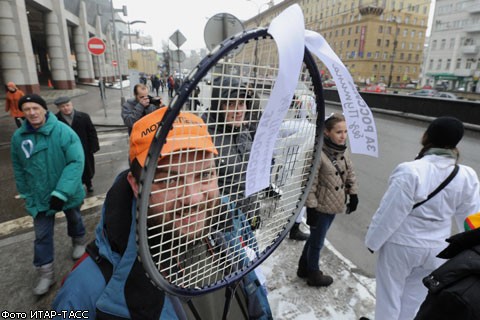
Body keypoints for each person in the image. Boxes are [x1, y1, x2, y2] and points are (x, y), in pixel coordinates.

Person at [52, 107, 272, 319]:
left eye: (204, 174)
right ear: (136, 186)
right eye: (170, 180)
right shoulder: (85, 292)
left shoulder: (231, 225)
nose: (193, 198)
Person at [365, 116, 480, 320]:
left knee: (389, 298)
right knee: (415, 300)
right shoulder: (467, 174)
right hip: (437, 248)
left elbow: (391, 212)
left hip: (401, 245)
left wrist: (373, 241)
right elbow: (471, 216)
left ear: (427, 136)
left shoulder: (411, 170)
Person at [10, 94, 86, 296]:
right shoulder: (18, 137)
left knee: (74, 217)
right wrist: (26, 193)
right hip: (39, 195)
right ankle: (46, 273)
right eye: (27, 109)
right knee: (42, 235)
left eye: (35, 108)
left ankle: (78, 240)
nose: (32, 113)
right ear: (23, 113)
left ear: (44, 109)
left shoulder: (63, 131)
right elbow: (18, 168)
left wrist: (61, 192)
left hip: (65, 192)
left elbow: (76, 161)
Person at [298, 113, 359, 287]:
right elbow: (309, 184)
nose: (343, 136)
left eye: (345, 131)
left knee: (314, 239)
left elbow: (350, 173)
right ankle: (313, 274)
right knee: (317, 242)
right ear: (326, 132)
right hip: (321, 206)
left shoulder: (343, 150)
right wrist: (311, 208)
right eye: (339, 132)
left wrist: (353, 194)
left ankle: (303, 267)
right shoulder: (316, 153)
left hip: (335, 204)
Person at [414, 212, 480, 320]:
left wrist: (375, 243)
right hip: (437, 240)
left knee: (391, 290)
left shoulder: (461, 293)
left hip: (407, 238)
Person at [54, 96, 100, 193]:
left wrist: (94, 145)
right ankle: (75, 186)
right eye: (62, 106)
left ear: (71, 104)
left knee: (86, 168)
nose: (66, 108)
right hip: (66, 150)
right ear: (58, 108)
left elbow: (91, 132)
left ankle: (88, 184)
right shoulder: (56, 120)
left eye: (67, 105)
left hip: (84, 148)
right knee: (71, 169)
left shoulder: (84, 117)